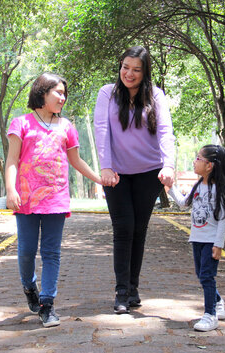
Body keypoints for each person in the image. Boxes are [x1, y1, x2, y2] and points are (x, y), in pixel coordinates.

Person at [5, 73, 101, 327]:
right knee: (26, 252)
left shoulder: (67, 126)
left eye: (64, 93)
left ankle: (47, 305)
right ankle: (29, 287)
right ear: (42, 92)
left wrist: (99, 179)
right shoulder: (21, 123)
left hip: (56, 199)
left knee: (51, 253)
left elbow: (76, 161)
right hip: (26, 199)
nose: (63, 97)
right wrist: (10, 190)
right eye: (58, 92)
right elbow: (12, 161)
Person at [94, 46, 176, 314]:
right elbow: (101, 129)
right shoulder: (107, 93)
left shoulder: (155, 95)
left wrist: (169, 165)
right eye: (125, 67)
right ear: (120, 66)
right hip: (116, 174)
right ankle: (121, 290)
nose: (129, 73)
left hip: (148, 172)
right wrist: (105, 166)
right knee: (123, 228)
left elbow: (165, 131)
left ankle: (133, 287)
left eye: (136, 70)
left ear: (145, 72)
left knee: (139, 229)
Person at [167, 144, 225, 332]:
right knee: (201, 275)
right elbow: (183, 204)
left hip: (211, 240)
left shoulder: (220, 189)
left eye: (198, 159)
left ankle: (210, 315)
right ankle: (218, 301)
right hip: (196, 239)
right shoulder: (198, 186)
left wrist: (218, 245)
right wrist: (170, 187)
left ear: (209, 165)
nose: (195, 162)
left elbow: (223, 220)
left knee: (206, 276)